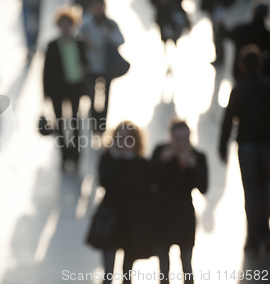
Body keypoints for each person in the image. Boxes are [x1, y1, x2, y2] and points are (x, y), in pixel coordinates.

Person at [86, 122, 154, 284]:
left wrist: (129, 162)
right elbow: (106, 182)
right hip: (111, 220)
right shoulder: (107, 159)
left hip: (132, 222)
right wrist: (116, 161)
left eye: (127, 139)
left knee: (127, 274)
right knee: (108, 272)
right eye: (119, 138)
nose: (123, 143)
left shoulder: (141, 163)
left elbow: (141, 187)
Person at [219, 45, 270, 255]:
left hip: (247, 147)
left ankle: (252, 237)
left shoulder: (239, 90)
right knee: (266, 191)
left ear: (241, 65)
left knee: (250, 192)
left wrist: (222, 147)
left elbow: (228, 120)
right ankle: (265, 233)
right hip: (267, 146)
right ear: (260, 64)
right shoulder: (267, 88)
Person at [151, 120, 208, 284]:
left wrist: (194, 167)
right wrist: (162, 161)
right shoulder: (160, 152)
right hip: (163, 214)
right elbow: (150, 180)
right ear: (171, 138)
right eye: (178, 139)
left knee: (187, 263)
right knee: (163, 266)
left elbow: (203, 187)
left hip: (185, 215)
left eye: (185, 138)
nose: (182, 143)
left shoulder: (198, 157)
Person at [43, 9, 87, 168]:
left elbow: (85, 62)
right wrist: (45, 94)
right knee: (60, 123)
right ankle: (64, 154)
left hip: (74, 86)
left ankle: (75, 154)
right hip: (57, 89)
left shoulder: (80, 42)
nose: (66, 27)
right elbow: (46, 70)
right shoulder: (52, 45)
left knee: (75, 121)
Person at [80, 0, 124, 131]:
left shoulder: (110, 24)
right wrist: (85, 41)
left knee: (106, 95)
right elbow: (77, 40)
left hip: (106, 66)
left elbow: (121, 40)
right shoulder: (86, 25)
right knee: (92, 95)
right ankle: (94, 123)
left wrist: (109, 36)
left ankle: (102, 124)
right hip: (92, 66)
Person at [222, 0, 270, 82]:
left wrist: (220, 23)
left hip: (239, 73)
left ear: (253, 12)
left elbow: (225, 33)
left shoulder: (240, 29)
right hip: (261, 77)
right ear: (266, 15)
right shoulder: (267, 35)